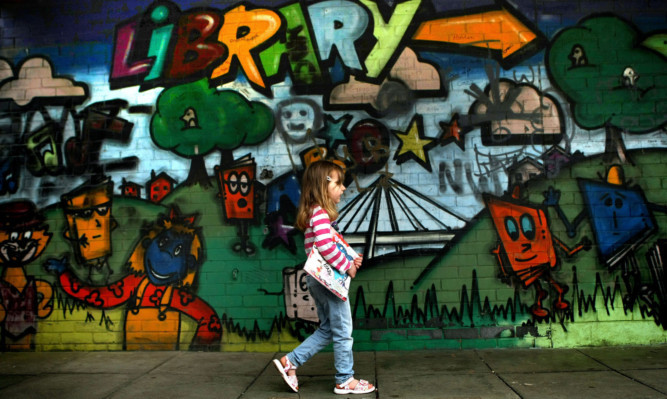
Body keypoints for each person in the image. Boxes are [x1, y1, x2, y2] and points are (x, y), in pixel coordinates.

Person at [273, 160, 376, 395]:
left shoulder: (315, 213)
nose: (343, 188)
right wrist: (347, 266)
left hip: (318, 280)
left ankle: (290, 362)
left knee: (329, 329)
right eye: (338, 184)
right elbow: (326, 248)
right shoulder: (319, 213)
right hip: (328, 282)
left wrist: (350, 258)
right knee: (343, 332)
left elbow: (330, 245)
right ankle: (344, 380)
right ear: (323, 186)